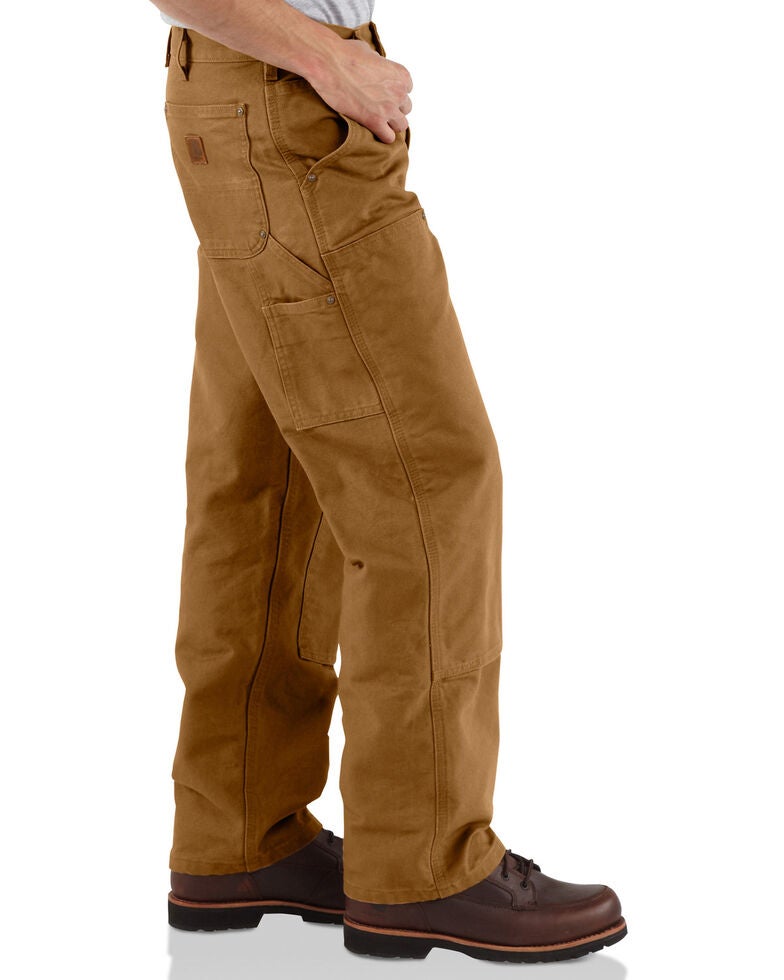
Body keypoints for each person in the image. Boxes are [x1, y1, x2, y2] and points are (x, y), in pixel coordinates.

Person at [153, 0, 627, 963]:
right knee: (430, 478)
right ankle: (426, 865)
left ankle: (240, 833)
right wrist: (326, 58)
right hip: (289, 99)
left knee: (266, 484)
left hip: (246, 92)